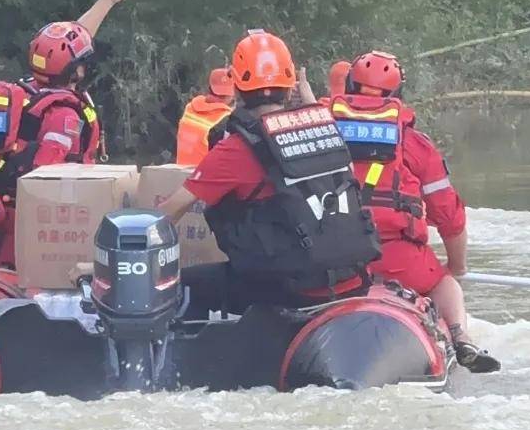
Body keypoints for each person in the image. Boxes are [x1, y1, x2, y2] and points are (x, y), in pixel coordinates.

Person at [158, 30, 381, 315]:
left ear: (236, 89)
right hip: (352, 280)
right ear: (291, 89)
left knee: (183, 288)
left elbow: (169, 213)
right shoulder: (327, 130)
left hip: (288, 289)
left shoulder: (236, 149)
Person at [0, 0, 138, 270]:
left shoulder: (30, 89)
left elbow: (72, 41)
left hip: (7, 231)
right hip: (32, 239)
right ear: (74, 72)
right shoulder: (63, 116)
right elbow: (45, 182)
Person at [330, 51, 499, 372]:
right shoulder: (414, 144)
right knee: (446, 284)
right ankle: (460, 336)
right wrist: (456, 265)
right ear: (397, 95)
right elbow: (450, 217)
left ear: (350, 85)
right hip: (398, 259)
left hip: (332, 258)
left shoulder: (321, 133)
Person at [175, 67, 235, 166]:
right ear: (231, 95)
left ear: (210, 87)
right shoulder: (225, 120)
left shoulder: (190, 108)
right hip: (201, 177)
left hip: (179, 172)